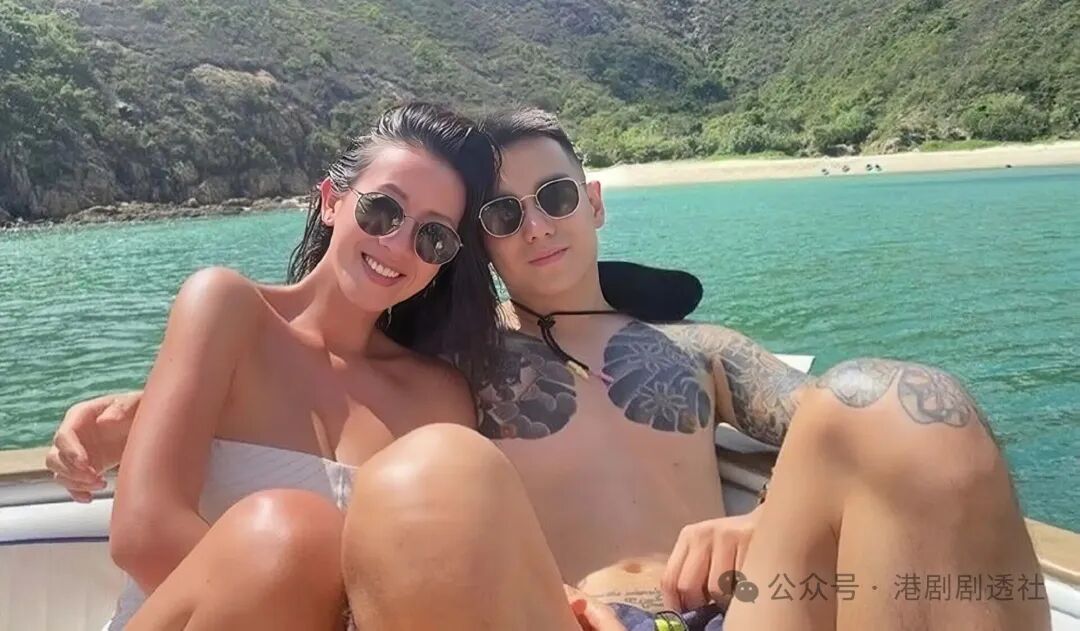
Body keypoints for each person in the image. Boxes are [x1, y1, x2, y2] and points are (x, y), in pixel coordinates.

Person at [50, 108, 1051, 631]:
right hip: (570, 614)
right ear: (478, 251)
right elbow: (318, 383)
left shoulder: (702, 352)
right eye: (501, 214)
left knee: (903, 404)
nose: (535, 225)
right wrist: (143, 410)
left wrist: (760, 521)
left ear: (596, 202)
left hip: (745, 607)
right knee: (433, 470)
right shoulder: (462, 365)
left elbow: (858, 452)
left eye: (557, 197)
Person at [86, 101, 504, 629]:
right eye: (382, 210)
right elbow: (144, 533)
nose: (398, 244)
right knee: (287, 529)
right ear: (331, 202)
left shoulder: (439, 397)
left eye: (433, 237)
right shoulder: (229, 309)